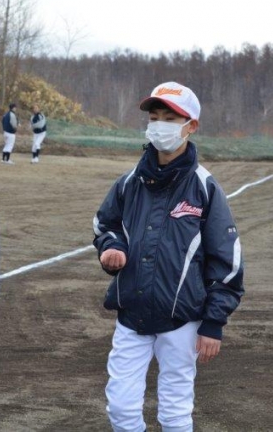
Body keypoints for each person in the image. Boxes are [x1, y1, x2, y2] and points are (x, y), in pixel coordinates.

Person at [92, 81, 244, 432]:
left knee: (175, 413)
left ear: (191, 126)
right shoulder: (129, 182)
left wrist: (213, 323)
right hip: (131, 314)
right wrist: (112, 247)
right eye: (155, 117)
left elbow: (227, 262)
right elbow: (105, 224)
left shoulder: (205, 187)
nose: (160, 125)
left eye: (171, 119)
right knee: (121, 408)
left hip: (183, 319)